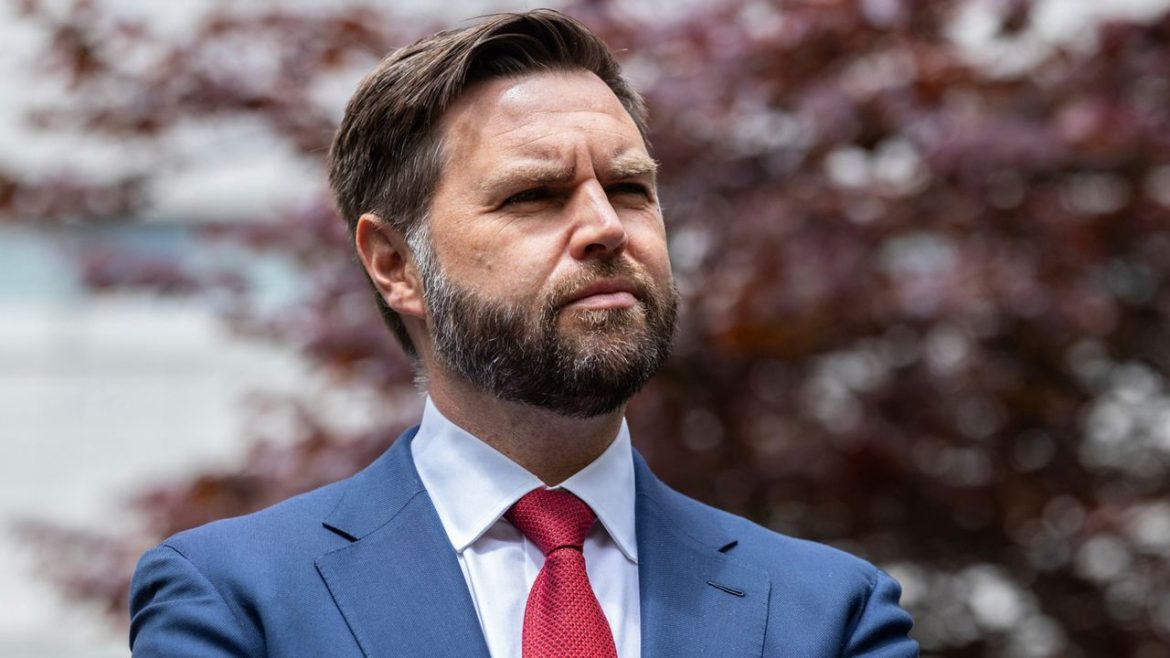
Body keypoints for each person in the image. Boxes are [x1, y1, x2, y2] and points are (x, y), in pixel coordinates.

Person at [128, 9, 918, 657]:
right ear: (396, 263)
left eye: (631, 188)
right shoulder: (237, 602)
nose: (606, 227)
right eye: (536, 195)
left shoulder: (830, 616)